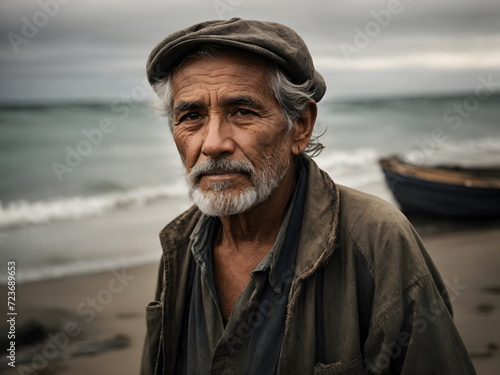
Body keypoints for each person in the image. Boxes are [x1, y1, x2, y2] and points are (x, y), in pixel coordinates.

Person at [141, 18, 476, 375]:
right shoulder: (180, 247)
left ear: (299, 125)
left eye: (242, 112)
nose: (212, 144)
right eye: (191, 116)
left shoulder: (377, 241)